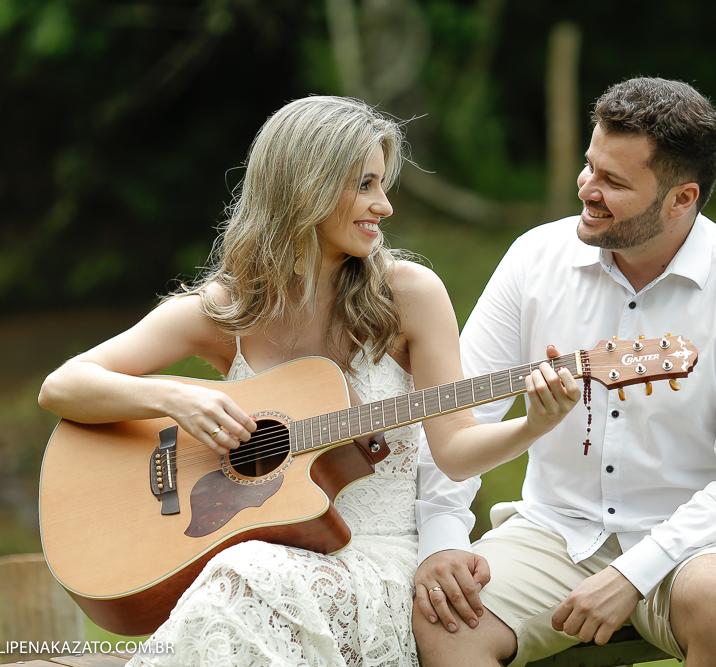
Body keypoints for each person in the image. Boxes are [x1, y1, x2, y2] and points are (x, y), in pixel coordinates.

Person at [38, 96, 581, 667]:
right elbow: (64, 385)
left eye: (383, 184)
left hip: (377, 563)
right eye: (366, 184)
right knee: (241, 578)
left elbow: (457, 454)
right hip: (256, 568)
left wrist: (534, 424)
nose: (385, 206)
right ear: (307, 187)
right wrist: (174, 397)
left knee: (239, 581)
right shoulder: (228, 310)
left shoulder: (411, 295)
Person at [412, 77, 716, 667]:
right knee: (441, 617)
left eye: (614, 182)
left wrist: (634, 571)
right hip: (553, 532)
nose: (588, 189)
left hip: (696, 545)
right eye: (589, 166)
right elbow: (457, 415)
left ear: (682, 198)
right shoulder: (533, 259)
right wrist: (443, 540)